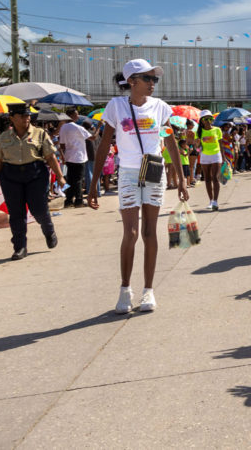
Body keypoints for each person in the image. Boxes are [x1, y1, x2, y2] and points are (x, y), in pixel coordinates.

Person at [89, 59, 190, 314]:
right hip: (129, 173)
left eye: (154, 79)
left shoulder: (160, 107)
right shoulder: (116, 106)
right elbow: (103, 145)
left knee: (149, 232)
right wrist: (93, 184)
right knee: (131, 233)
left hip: (154, 169)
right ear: (132, 81)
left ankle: (148, 291)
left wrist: (181, 178)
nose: (153, 83)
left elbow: (170, 143)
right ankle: (125, 291)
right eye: (148, 79)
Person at [0, 102, 65, 260]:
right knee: (16, 214)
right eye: (22, 115)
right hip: (11, 176)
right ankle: (20, 247)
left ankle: (48, 230)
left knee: (39, 210)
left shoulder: (40, 133)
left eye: (28, 115)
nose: (26, 118)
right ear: (12, 118)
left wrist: (61, 176)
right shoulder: (4, 137)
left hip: (35, 174)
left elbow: (50, 157)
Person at [58, 108, 90, 208]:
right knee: (78, 180)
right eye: (76, 115)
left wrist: (63, 156)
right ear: (71, 116)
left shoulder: (63, 127)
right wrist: (98, 128)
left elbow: (62, 145)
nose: (77, 116)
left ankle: (68, 200)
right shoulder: (77, 127)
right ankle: (79, 200)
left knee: (70, 180)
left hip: (69, 157)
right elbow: (92, 137)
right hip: (79, 157)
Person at [196, 112, 222, 210]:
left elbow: (221, 144)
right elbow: (198, 149)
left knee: (215, 178)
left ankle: (215, 201)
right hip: (205, 156)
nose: (208, 121)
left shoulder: (217, 130)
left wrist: (224, 158)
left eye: (209, 118)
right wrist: (197, 144)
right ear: (201, 121)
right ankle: (211, 201)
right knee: (207, 178)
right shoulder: (198, 132)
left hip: (216, 155)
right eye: (205, 119)